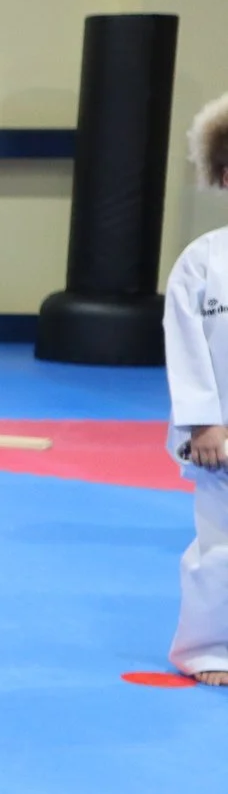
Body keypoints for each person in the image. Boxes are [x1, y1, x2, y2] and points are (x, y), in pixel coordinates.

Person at [167, 93, 228, 685]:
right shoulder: (203, 262)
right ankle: (208, 647)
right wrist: (202, 421)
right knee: (221, 544)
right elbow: (184, 345)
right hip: (220, 436)